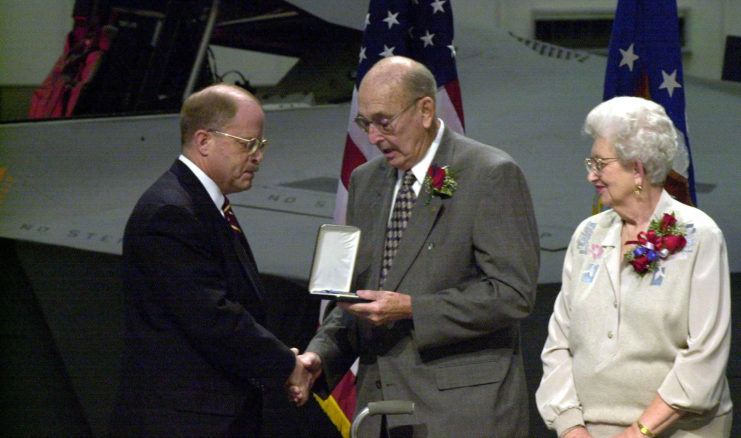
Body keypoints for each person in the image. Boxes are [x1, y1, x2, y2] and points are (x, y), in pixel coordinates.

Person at [297, 56, 540, 437]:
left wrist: (412, 309)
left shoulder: (488, 173)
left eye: (384, 121)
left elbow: (512, 294)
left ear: (425, 110)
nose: (374, 138)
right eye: (366, 123)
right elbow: (359, 293)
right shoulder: (367, 180)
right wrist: (319, 355)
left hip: (461, 417)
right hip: (381, 414)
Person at [109, 84, 312, 437]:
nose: (258, 156)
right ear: (204, 141)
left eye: (260, 145)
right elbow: (212, 318)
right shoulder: (171, 212)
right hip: (184, 423)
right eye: (248, 144)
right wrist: (286, 364)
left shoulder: (202, 204)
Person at [536, 96, 733, 438]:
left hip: (677, 430)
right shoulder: (588, 234)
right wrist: (571, 427)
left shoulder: (699, 235)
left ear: (638, 169)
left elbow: (705, 355)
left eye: (600, 164)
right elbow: (558, 343)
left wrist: (636, 432)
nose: (590, 175)